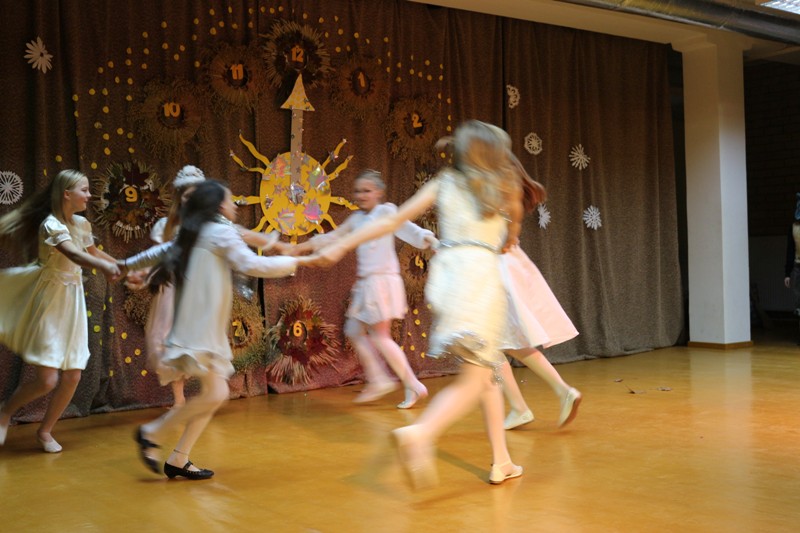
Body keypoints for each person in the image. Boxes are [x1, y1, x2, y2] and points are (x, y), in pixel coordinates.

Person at [310, 120, 534, 488]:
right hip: (479, 281)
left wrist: (341, 245)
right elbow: (509, 238)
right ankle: (420, 433)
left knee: (486, 371)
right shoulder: (502, 188)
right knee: (475, 377)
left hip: (449, 280)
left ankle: (502, 461)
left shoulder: (444, 183)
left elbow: (393, 221)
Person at [124, 179, 308, 480]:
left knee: (215, 392)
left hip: (200, 325)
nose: (234, 205)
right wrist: (293, 262)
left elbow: (160, 255)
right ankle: (152, 433)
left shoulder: (197, 231)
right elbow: (250, 264)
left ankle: (177, 456)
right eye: (230, 199)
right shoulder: (219, 232)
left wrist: (126, 266)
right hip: (200, 329)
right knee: (216, 393)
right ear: (219, 205)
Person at [290, 170, 436, 408]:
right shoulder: (357, 219)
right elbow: (333, 237)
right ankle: (379, 378)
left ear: (378, 192)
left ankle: (412, 384)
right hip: (367, 283)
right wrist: (300, 247)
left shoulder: (386, 212)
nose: (361, 195)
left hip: (381, 281)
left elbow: (408, 229)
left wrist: (429, 239)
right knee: (354, 329)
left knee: (380, 336)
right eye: (358, 191)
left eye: (367, 191)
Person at [0, 169, 120, 452]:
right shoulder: (51, 225)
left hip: (73, 301)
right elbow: (74, 254)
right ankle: (5, 413)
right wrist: (105, 268)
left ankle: (45, 431)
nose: (89, 196)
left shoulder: (82, 224)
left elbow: (93, 253)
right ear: (67, 194)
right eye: (84, 190)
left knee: (73, 375)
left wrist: (123, 266)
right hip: (50, 301)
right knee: (46, 380)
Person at [498, 247, 582, 430]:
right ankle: (561, 391)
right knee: (503, 342)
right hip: (503, 266)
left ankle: (519, 407)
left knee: (487, 345)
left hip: (489, 270)